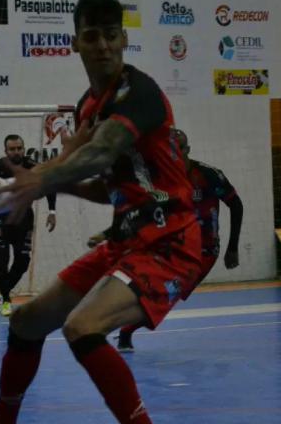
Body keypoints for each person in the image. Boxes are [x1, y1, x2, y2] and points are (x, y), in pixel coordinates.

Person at [0, 0, 202, 424]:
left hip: (171, 237)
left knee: (83, 327)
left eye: (111, 34)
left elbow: (100, 153)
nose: (102, 44)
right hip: (129, 235)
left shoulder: (139, 94)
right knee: (27, 320)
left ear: (124, 39)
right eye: (91, 35)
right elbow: (103, 183)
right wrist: (48, 178)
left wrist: (41, 178)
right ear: (75, 42)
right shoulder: (89, 106)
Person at [88, 129, 244, 352]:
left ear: (187, 150)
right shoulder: (161, 182)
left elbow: (236, 205)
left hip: (204, 251)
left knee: (167, 297)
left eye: (177, 149)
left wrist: (233, 247)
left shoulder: (208, 175)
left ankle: (122, 329)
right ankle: (121, 330)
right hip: (172, 247)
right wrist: (107, 234)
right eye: (168, 149)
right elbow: (141, 212)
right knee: (159, 295)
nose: (173, 154)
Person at [0, 134, 57, 316]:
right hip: (0, 217)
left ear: (23, 149)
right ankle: (6, 300)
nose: (16, 152)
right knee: (1, 258)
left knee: (23, 262)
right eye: (12, 149)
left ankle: (3, 292)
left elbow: (50, 185)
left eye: (19, 148)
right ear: (6, 151)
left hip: (24, 218)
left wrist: (52, 212)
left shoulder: (33, 167)